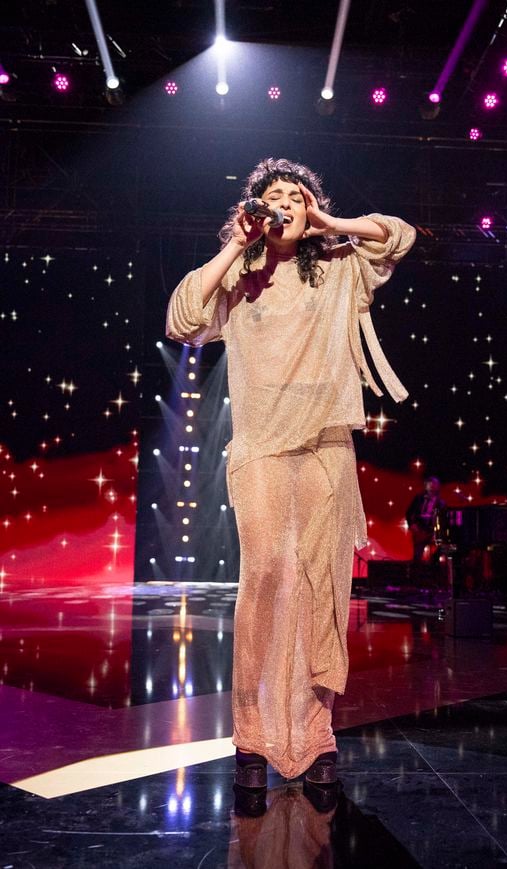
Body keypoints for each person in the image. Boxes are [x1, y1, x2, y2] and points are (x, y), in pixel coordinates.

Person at [166, 157, 416, 786]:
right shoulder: (238, 279)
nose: (283, 205)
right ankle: (251, 737)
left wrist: (327, 221)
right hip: (261, 448)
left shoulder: (338, 269)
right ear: (251, 212)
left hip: (326, 447)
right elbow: (183, 318)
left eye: (295, 198)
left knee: (322, 589)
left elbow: (398, 234)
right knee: (268, 577)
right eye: (270, 198)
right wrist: (235, 245)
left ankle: (315, 732)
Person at [405, 476, 446, 564]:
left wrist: (437, 532)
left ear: (438, 487)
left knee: (444, 547)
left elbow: (442, 519)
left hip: (433, 531)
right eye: (429, 483)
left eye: (434, 484)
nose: (431, 486)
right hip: (419, 530)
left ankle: (433, 563)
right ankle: (417, 573)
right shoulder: (418, 498)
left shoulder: (440, 503)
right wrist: (411, 524)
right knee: (417, 556)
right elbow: (408, 513)